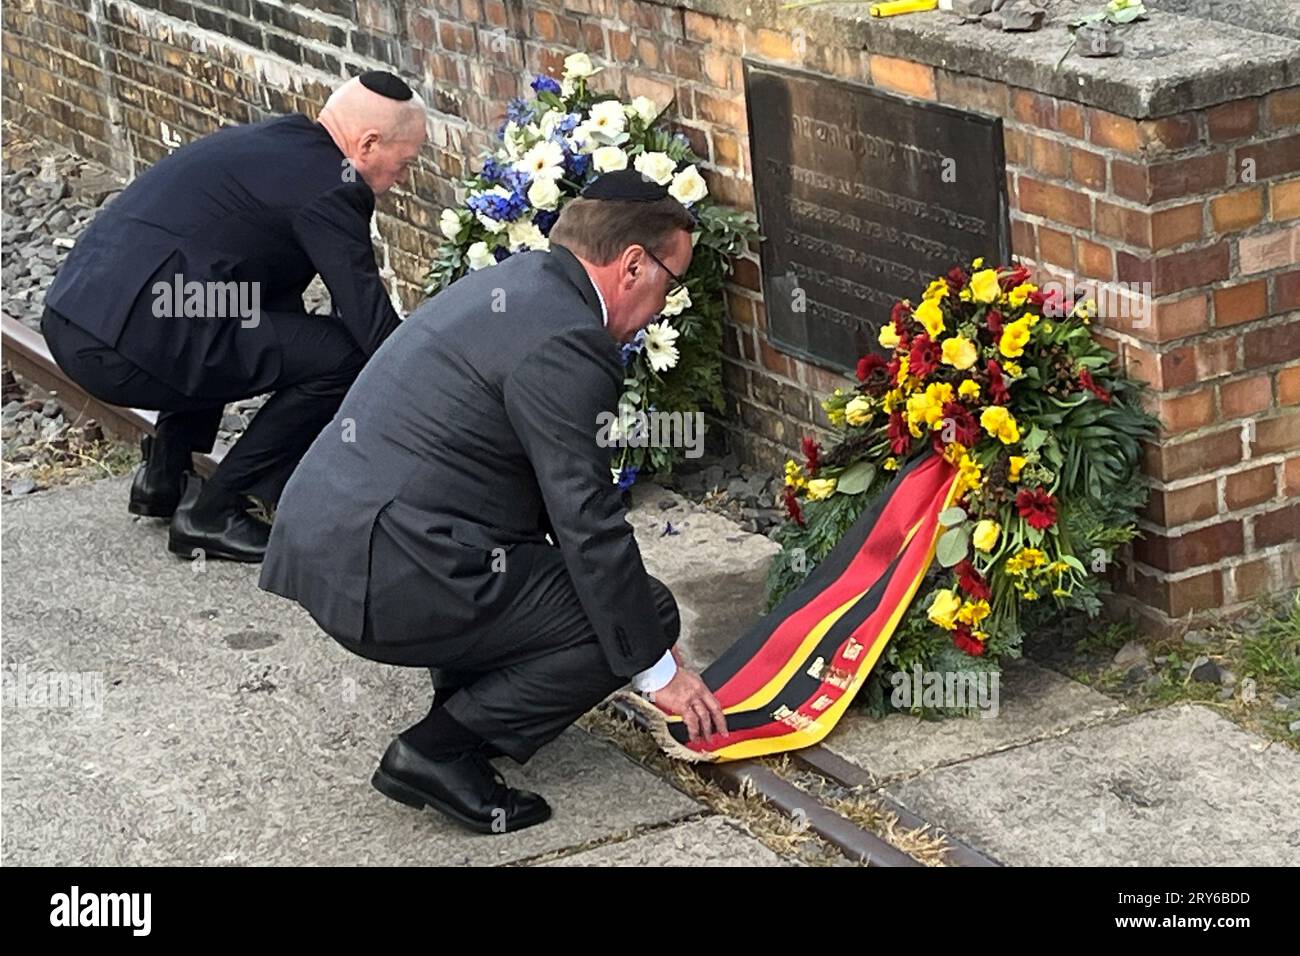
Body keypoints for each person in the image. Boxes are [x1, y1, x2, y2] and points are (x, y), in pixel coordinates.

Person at [259, 170, 729, 834]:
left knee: (547, 574)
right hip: (389, 570)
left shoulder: (518, 289)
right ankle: (439, 751)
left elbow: (539, 497)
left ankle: (468, 698)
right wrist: (654, 666)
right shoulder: (570, 340)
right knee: (644, 612)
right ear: (631, 266)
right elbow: (587, 522)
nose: (663, 303)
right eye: (669, 282)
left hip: (340, 542)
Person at [41, 70, 426, 562]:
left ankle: (163, 478)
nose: (403, 179)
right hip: (130, 347)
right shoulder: (334, 186)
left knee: (239, 310)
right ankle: (214, 512)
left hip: (75, 314)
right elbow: (371, 327)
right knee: (343, 357)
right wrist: (443, 384)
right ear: (369, 144)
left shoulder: (274, 140)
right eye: (406, 162)